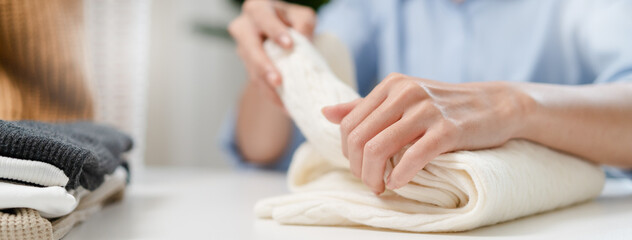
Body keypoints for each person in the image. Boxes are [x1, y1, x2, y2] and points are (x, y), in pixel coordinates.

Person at [223, 0, 632, 195]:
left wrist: (513, 107)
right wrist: (279, 53)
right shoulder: (374, 10)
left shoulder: (586, 9)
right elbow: (262, 148)